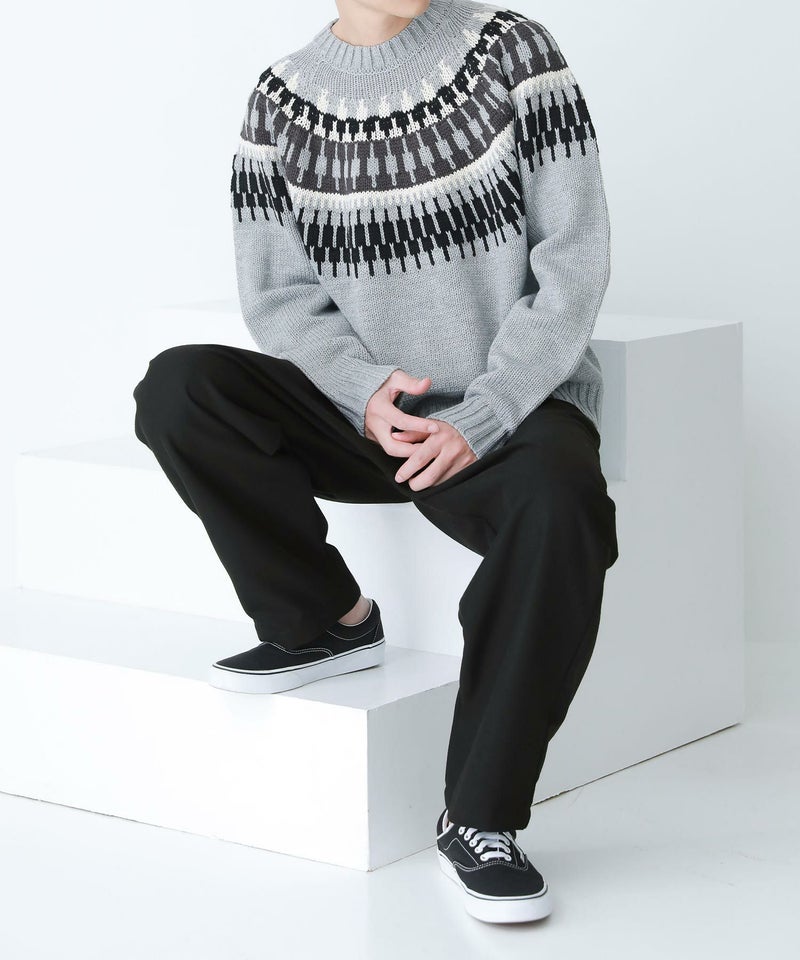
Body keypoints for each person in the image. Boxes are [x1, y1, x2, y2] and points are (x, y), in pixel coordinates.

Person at [132, 0, 618, 925]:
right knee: (182, 389)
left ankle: (479, 817)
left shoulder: (511, 50)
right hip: (369, 414)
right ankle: (326, 622)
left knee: (563, 505)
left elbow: (574, 261)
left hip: (508, 411)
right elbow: (279, 297)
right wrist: (362, 392)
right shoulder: (280, 101)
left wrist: (487, 412)